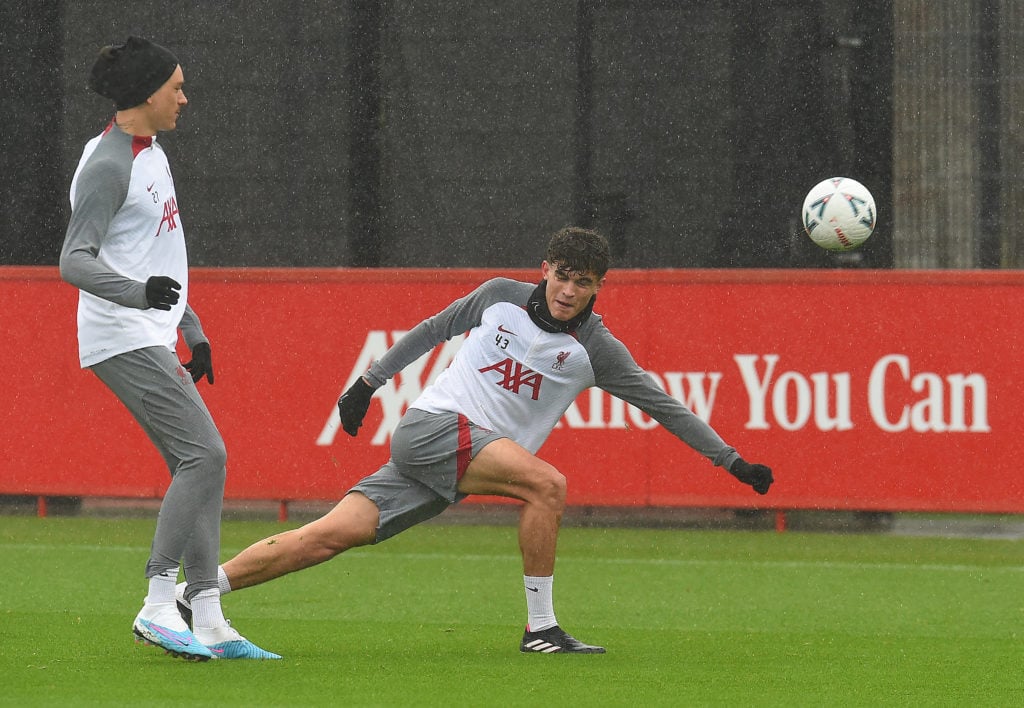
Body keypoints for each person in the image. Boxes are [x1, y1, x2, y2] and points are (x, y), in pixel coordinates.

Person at [176, 226, 774, 654]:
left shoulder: (596, 349)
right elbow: (433, 330)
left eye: (583, 283)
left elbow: (664, 407)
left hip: (449, 464)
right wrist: (368, 383)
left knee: (329, 536)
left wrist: (732, 462)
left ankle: (197, 594)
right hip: (433, 427)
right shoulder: (500, 297)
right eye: (562, 275)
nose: (568, 290)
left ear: (597, 289)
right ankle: (541, 628)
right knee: (549, 485)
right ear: (545, 268)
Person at [59, 36, 278, 661]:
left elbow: (160, 258)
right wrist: (139, 297)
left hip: (150, 329)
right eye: (176, 87)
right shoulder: (108, 164)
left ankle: (207, 616)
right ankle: (159, 603)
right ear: (147, 94)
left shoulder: (151, 151)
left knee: (203, 467)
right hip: (119, 335)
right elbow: (74, 262)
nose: (184, 97)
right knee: (205, 455)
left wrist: (192, 328)